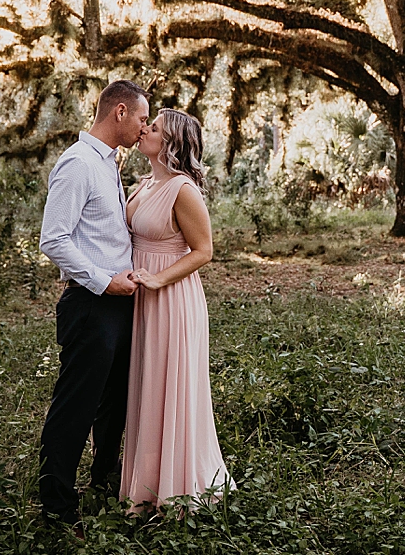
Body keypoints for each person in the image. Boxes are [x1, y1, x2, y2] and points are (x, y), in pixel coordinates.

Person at [36, 80, 150, 525]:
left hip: (120, 304)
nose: (145, 127)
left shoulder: (109, 164)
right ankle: (57, 506)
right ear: (119, 112)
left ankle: (104, 482)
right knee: (76, 406)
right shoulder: (79, 163)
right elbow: (54, 239)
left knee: (113, 405)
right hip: (91, 303)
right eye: (142, 118)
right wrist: (104, 283)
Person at [121, 109, 233, 510]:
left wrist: (158, 279)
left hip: (172, 298)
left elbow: (204, 251)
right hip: (142, 299)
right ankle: (146, 484)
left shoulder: (183, 189)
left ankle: (177, 487)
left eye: (153, 128)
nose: (144, 130)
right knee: (147, 388)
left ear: (170, 143)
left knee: (169, 389)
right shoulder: (147, 182)